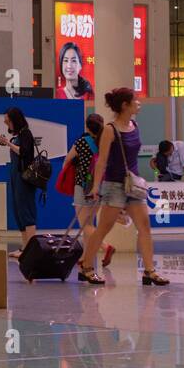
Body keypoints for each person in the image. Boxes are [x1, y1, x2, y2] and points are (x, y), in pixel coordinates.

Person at [79, 88, 169, 286]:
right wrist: (96, 187)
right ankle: (86, 267)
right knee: (103, 228)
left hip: (134, 185)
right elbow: (101, 161)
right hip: (114, 186)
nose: (139, 103)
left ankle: (149, 271)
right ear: (124, 106)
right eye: (135, 100)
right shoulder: (110, 129)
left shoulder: (134, 125)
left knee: (144, 227)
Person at [70, 113, 114, 280]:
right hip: (100, 186)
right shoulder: (105, 142)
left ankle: (105, 246)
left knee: (84, 224)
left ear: (87, 127)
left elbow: (68, 159)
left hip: (83, 185)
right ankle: (84, 259)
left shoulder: (82, 142)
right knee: (90, 222)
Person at [0, 107, 38, 259]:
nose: (6, 123)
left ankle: (32, 250)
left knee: (26, 211)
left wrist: (8, 143)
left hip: (25, 178)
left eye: (8, 121)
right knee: (18, 210)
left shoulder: (26, 133)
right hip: (16, 176)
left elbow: (24, 152)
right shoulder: (18, 135)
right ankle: (25, 248)